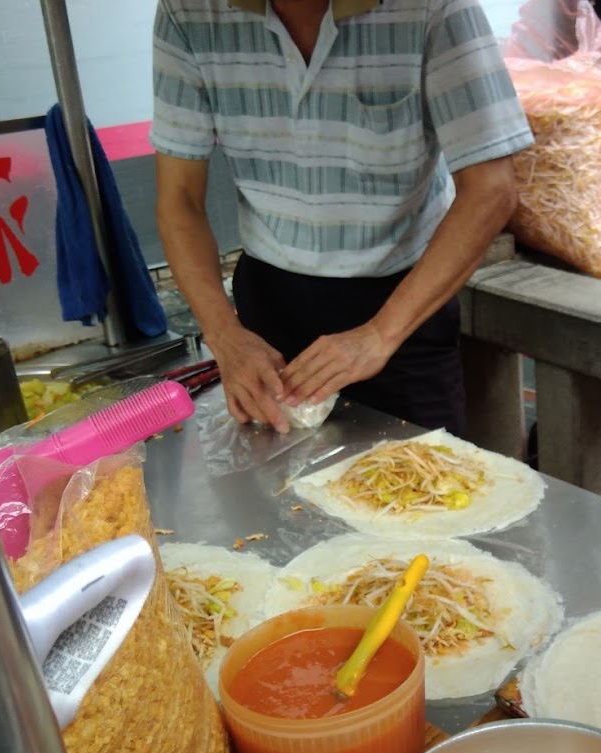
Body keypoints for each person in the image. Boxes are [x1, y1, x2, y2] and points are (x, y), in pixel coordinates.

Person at [150, 0, 534, 435]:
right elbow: (179, 199)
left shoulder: (432, 7)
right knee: (277, 472)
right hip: (267, 308)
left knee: (421, 472)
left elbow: (490, 189)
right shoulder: (190, 12)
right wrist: (224, 335)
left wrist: (380, 335)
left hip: (402, 303)